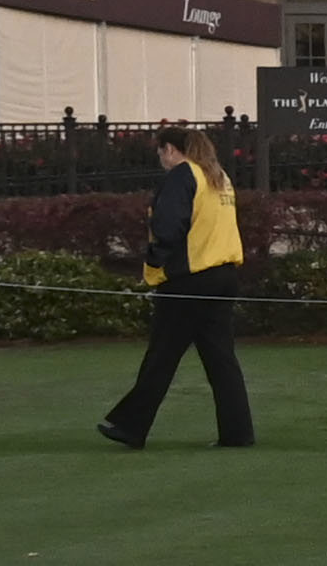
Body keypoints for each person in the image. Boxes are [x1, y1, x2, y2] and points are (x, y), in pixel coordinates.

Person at [100, 126, 256, 449]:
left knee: (162, 355)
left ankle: (131, 426)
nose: (160, 158)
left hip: (190, 279)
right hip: (224, 276)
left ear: (171, 149)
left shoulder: (183, 176)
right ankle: (238, 432)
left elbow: (168, 227)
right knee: (221, 358)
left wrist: (154, 262)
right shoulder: (219, 177)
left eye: (161, 151)